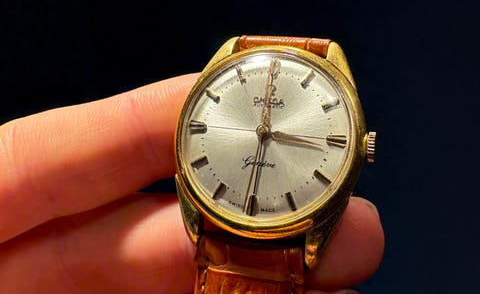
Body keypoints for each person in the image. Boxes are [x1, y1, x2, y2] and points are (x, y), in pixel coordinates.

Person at [0, 73, 384, 293]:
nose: (263, 131)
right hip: (212, 218)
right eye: (260, 128)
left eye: (268, 130)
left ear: (361, 147)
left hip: (292, 230)